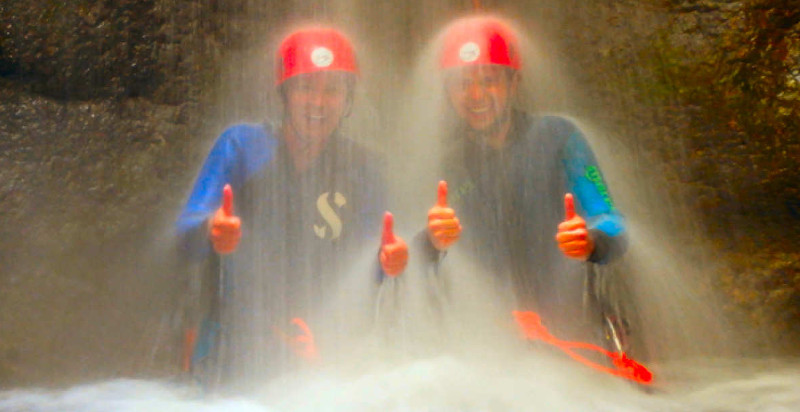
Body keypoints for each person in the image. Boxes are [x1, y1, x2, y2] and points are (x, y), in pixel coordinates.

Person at [175, 26, 408, 387]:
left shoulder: (365, 168)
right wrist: (212, 231)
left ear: (348, 98)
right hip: (234, 345)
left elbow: (372, 267)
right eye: (305, 87)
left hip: (321, 345)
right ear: (284, 93)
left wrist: (392, 262)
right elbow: (185, 237)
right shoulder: (241, 147)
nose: (318, 102)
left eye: (332, 90)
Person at [418, 15, 627, 341]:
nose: (475, 94)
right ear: (448, 91)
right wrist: (432, 242)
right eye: (462, 83)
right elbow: (418, 255)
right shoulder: (447, 164)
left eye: (488, 80)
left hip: (576, 331)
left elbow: (613, 223)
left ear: (513, 84)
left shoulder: (560, 138)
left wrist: (590, 241)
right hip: (494, 337)